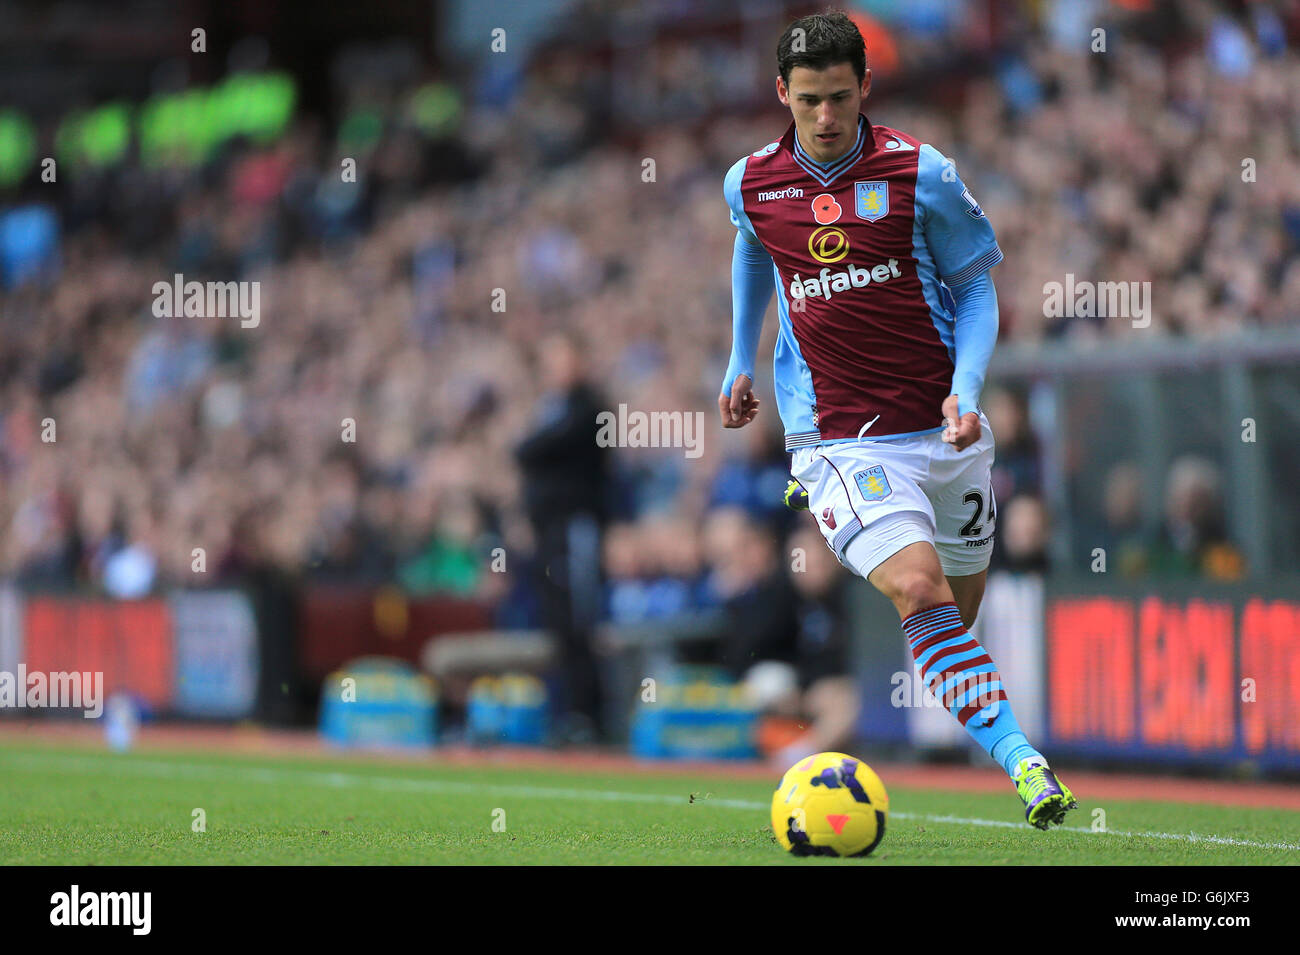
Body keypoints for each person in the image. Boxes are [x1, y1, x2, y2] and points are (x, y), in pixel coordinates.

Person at [718, 12, 1074, 829]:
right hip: (838, 440)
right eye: (809, 100)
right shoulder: (752, 183)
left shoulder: (923, 173)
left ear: (865, 87)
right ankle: (1026, 763)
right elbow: (749, 245)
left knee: (954, 607)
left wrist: (971, 386)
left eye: (841, 97)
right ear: (783, 93)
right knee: (919, 587)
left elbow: (978, 288)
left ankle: (964, 715)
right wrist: (740, 356)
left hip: (946, 432)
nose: (827, 116)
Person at [515, 331, 612, 741]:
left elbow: (531, 449)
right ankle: (569, 712)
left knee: (577, 619)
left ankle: (587, 716)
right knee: (559, 623)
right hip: (550, 534)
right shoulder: (553, 408)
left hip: (574, 529)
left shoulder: (587, 407)